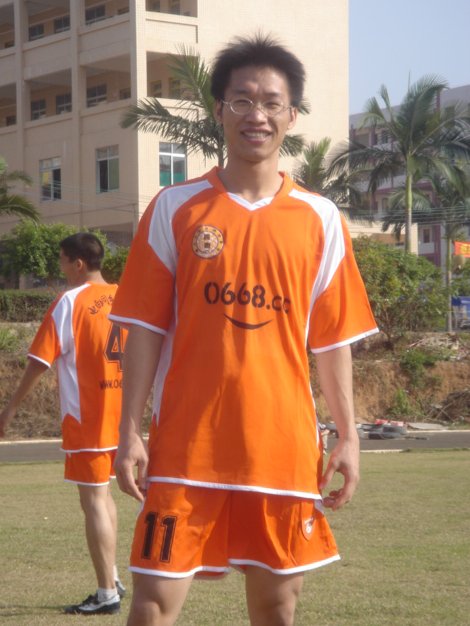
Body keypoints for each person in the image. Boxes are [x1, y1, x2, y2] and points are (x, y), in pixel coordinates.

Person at [110, 34, 378, 626]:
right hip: (186, 449)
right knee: (151, 604)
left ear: (291, 116)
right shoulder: (174, 208)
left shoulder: (320, 219)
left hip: (280, 449)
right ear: (219, 110)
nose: (257, 114)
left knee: (278, 606)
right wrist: (129, 431)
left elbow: (331, 340)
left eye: (271, 103)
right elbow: (144, 331)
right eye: (242, 101)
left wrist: (349, 436)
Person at [0, 233, 127, 616]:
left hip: (87, 417)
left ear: (78, 263)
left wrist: (9, 409)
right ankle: (113, 577)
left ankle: (106, 593)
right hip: (121, 415)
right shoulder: (124, 296)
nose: (59, 267)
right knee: (103, 497)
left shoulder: (69, 302)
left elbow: (39, 361)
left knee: (94, 501)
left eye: (61, 260)